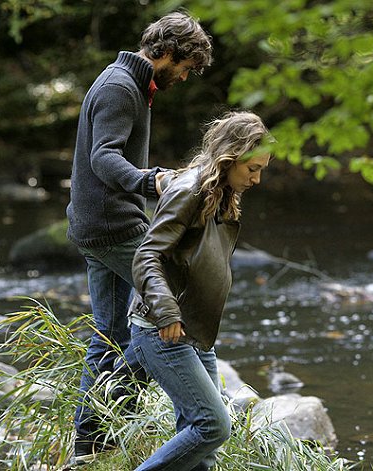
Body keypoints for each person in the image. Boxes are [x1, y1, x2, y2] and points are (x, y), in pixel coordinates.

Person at [65, 10, 213, 464]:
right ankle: (198, 429)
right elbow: (104, 157)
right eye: (185, 68)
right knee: (170, 313)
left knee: (108, 334)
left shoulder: (128, 83)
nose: (185, 77)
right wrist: (152, 182)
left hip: (95, 225)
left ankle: (91, 443)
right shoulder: (118, 88)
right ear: (165, 53)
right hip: (113, 228)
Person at [128, 111, 270, 471]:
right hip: (163, 330)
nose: (257, 178)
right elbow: (147, 256)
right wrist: (167, 313)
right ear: (229, 157)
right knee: (213, 426)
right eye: (251, 169)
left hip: (195, 330)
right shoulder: (188, 190)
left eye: (261, 169)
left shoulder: (219, 192)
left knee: (202, 450)